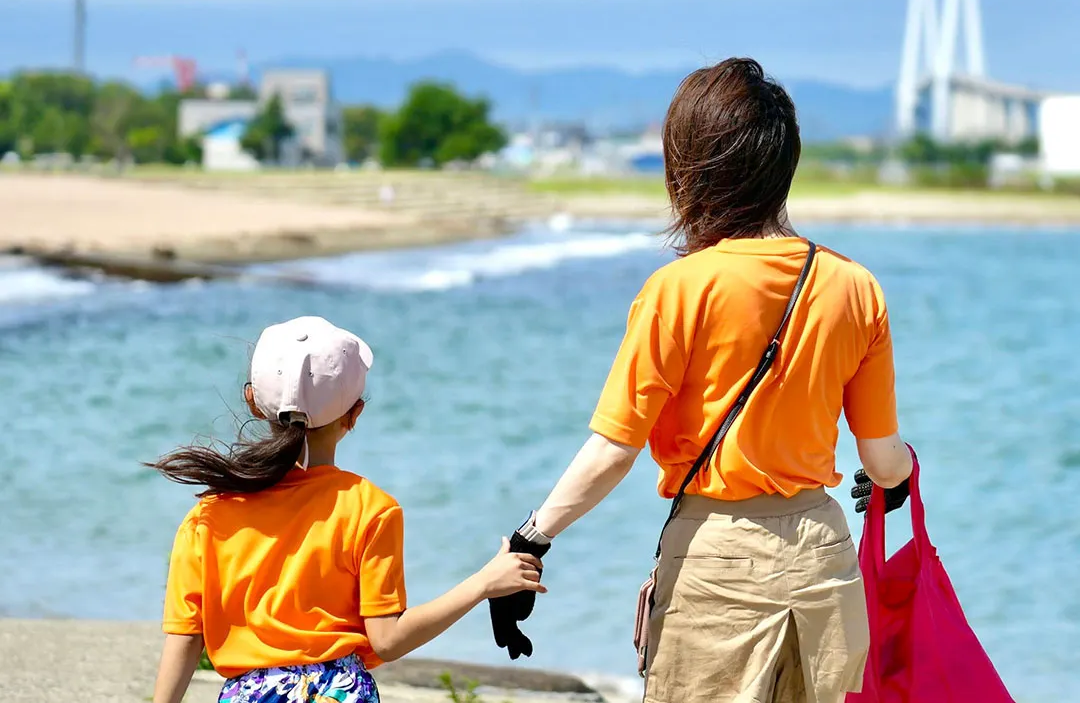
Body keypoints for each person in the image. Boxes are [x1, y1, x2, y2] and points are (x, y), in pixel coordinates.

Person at [491, 58, 912, 703]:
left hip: (718, 562)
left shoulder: (679, 289)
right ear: (783, 164)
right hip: (826, 558)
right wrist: (902, 473)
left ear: (691, 166)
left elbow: (612, 451)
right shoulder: (855, 286)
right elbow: (882, 462)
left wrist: (531, 540)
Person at [150, 314, 545, 703]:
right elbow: (387, 641)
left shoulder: (209, 516)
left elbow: (186, 636)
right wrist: (482, 584)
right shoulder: (370, 509)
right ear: (355, 414)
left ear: (253, 402)